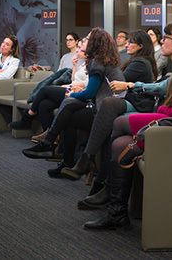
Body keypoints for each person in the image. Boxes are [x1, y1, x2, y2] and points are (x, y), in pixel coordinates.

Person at [83, 21, 172, 230]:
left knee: (120, 124)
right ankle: (114, 206)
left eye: (166, 37)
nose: (161, 41)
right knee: (121, 140)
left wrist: (161, 111)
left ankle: (108, 193)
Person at [58, 30, 157, 183]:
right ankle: (82, 162)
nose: (127, 45)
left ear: (140, 46)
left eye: (131, 42)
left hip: (133, 104)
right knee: (71, 107)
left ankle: (85, 162)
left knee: (94, 111)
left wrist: (81, 89)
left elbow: (118, 84)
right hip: (119, 101)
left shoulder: (139, 63)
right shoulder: (132, 61)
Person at [21, 27, 125, 172]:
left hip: (106, 113)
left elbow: (89, 93)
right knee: (69, 110)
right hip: (107, 107)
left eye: (87, 39)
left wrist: (73, 95)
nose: (83, 41)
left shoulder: (98, 62)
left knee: (69, 104)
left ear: (94, 43)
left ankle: (50, 145)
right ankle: (59, 155)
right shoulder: (103, 60)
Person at [9, 40, 88, 132]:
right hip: (71, 88)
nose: (77, 51)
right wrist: (74, 66)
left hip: (76, 93)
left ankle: (27, 117)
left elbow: (87, 83)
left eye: (80, 49)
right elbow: (74, 79)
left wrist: (69, 86)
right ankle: (47, 135)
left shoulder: (92, 65)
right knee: (44, 105)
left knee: (45, 90)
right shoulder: (83, 64)